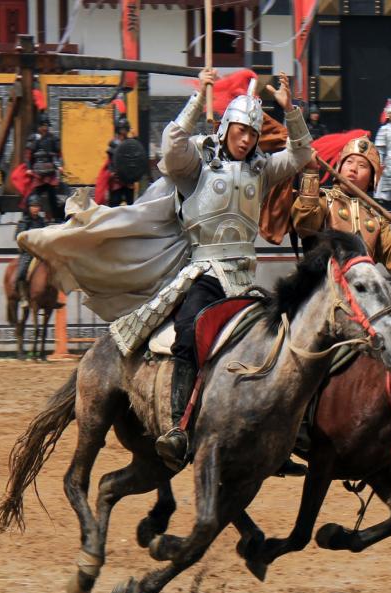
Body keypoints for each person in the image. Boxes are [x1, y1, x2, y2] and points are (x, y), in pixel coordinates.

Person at [110, 68, 312, 470]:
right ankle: (178, 426)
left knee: (280, 341)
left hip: (245, 281)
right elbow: (171, 145)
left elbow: (302, 155)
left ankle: (275, 433)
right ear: (226, 128)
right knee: (190, 334)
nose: (246, 139)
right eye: (240, 130)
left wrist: (291, 112)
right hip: (204, 272)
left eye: (252, 134)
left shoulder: (262, 169)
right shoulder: (198, 163)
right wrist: (200, 97)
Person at [291, 134, 391, 269]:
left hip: (361, 285)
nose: (353, 169)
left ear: (372, 178)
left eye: (362, 165)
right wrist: (311, 173)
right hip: (326, 281)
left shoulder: (376, 217)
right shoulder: (323, 199)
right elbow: (305, 226)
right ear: (339, 167)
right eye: (349, 162)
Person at [25, 113, 63, 221]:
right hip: (38, 174)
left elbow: (58, 154)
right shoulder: (33, 138)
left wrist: (59, 166)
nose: (45, 128)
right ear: (39, 126)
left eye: (46, 126)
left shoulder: (53, 139)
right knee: (33, 196)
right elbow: (28, 155)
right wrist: (28, 168)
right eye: (43, 126)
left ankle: (57, 217)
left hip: (50, 173)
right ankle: (28, 216)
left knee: (53, 197)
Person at [14, 193, 47, 306]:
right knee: (21, 272)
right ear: (29, 207)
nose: (35, 208)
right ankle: (23, 297)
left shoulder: (42, 221)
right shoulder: (24, 222)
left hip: (40, 252)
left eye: (37, 206)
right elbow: (18, 237)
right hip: (27, 253)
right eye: (33, 206)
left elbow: (46, 236)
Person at [106, 116, 136, 207]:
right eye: (121, 129)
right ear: (118, 130)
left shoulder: (131, 143)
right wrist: (112, 172)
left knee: (130, 204)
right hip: (117, 179)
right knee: (114, 205)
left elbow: (136, 159)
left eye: (125, 129)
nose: (123, 131)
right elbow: (110, 161)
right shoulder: (113, 144)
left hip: (128, 179)